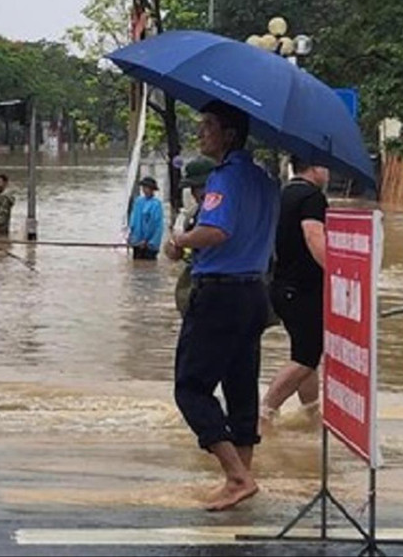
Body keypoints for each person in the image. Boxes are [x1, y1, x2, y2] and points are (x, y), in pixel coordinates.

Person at [163, 100, 279, 511]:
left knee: (191, 388)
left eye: (208, 126)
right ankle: (241, 480)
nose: (201, 132)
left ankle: (236, 475)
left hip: (219, 293)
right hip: (254, 293)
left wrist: (180, 239)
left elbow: (216, 231)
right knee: (241, 387)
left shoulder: (224, 178)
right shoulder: (265, 179)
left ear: (229, 134)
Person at [261, 158, 330, 424]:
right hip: (303, 289)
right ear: (315, 167)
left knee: (305, 352)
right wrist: (336, 273)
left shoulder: (282, 194)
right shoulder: (312, 197)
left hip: (280, 286)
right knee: (305, 356)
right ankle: (265, 413)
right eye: (325, 166)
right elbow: (313, 235)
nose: (328, 172)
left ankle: (311, 414)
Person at [166, 156, 217, 316]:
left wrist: (182, 239)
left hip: (215, 287)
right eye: (194, 189)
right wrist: (174, 244)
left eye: (199, 187)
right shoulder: (192, 214)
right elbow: (172, 251)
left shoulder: (225, 211)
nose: (196, 194)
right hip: (196, 285)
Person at [127, 177, 164, 260]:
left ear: (152, 190)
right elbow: (133, 220)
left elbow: (154, 224)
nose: (145, 190)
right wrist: (130, 235)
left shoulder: (156, 204)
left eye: (147, 188)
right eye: (143, 187)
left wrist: (146, 240)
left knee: (149, 265)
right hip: (137, 240)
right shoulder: (138, 201)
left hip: (150, 243)